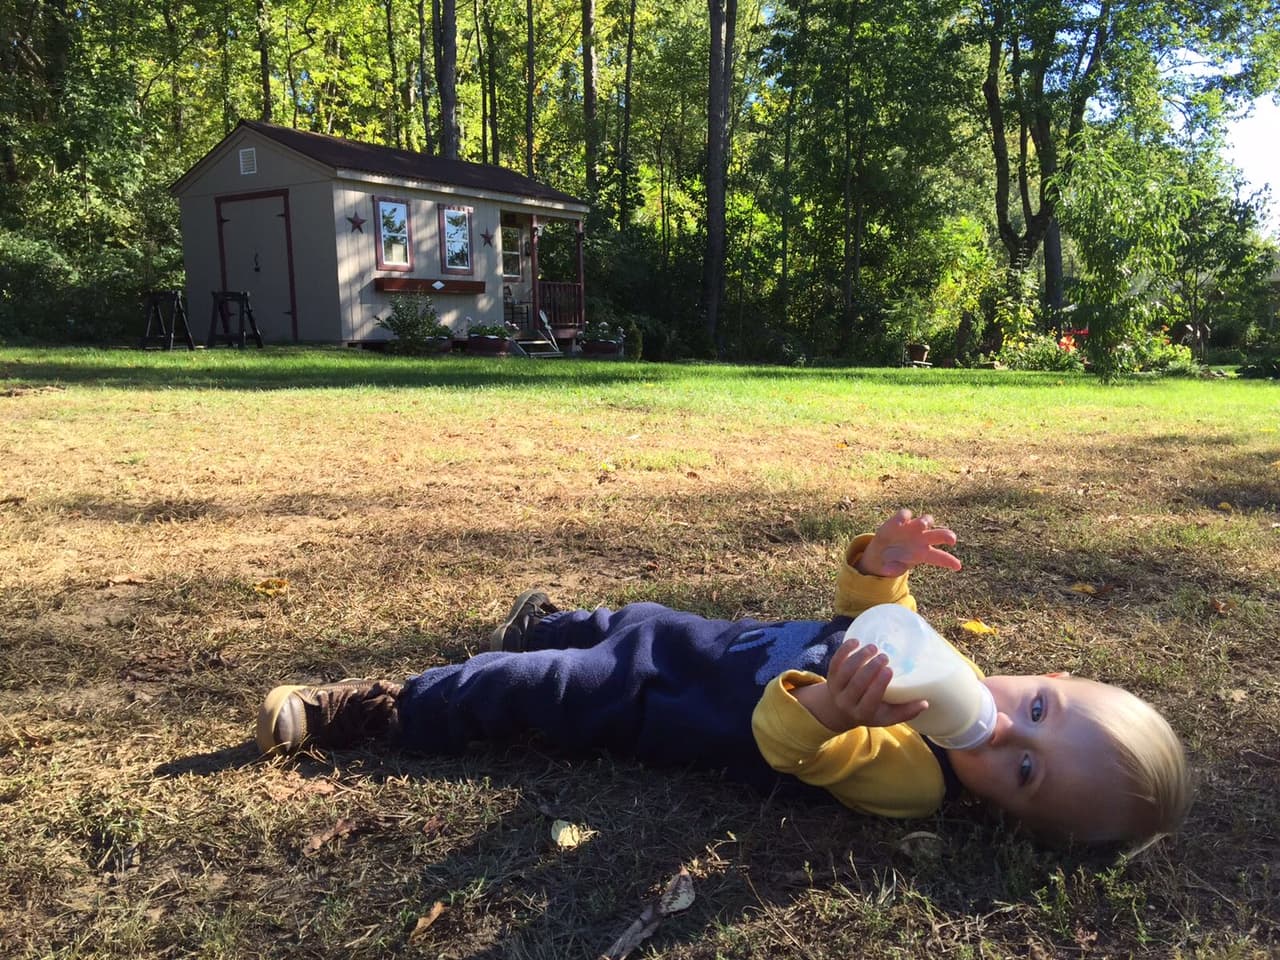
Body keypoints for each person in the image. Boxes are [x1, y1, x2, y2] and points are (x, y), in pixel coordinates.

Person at [256, 509, 1190, 849]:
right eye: (1037, 710)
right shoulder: (967, 678)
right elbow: (874, 617)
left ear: (1005, 815)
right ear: (1052, 676)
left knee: (542, 682)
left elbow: (789, 751)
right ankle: (547, 618)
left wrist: (830, 708)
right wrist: (882, 561)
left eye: (1023, 770)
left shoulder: (913, 779)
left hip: (667, 708)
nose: (1003, 732)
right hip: (706, 643)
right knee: (630, 620)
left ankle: (373, 709)